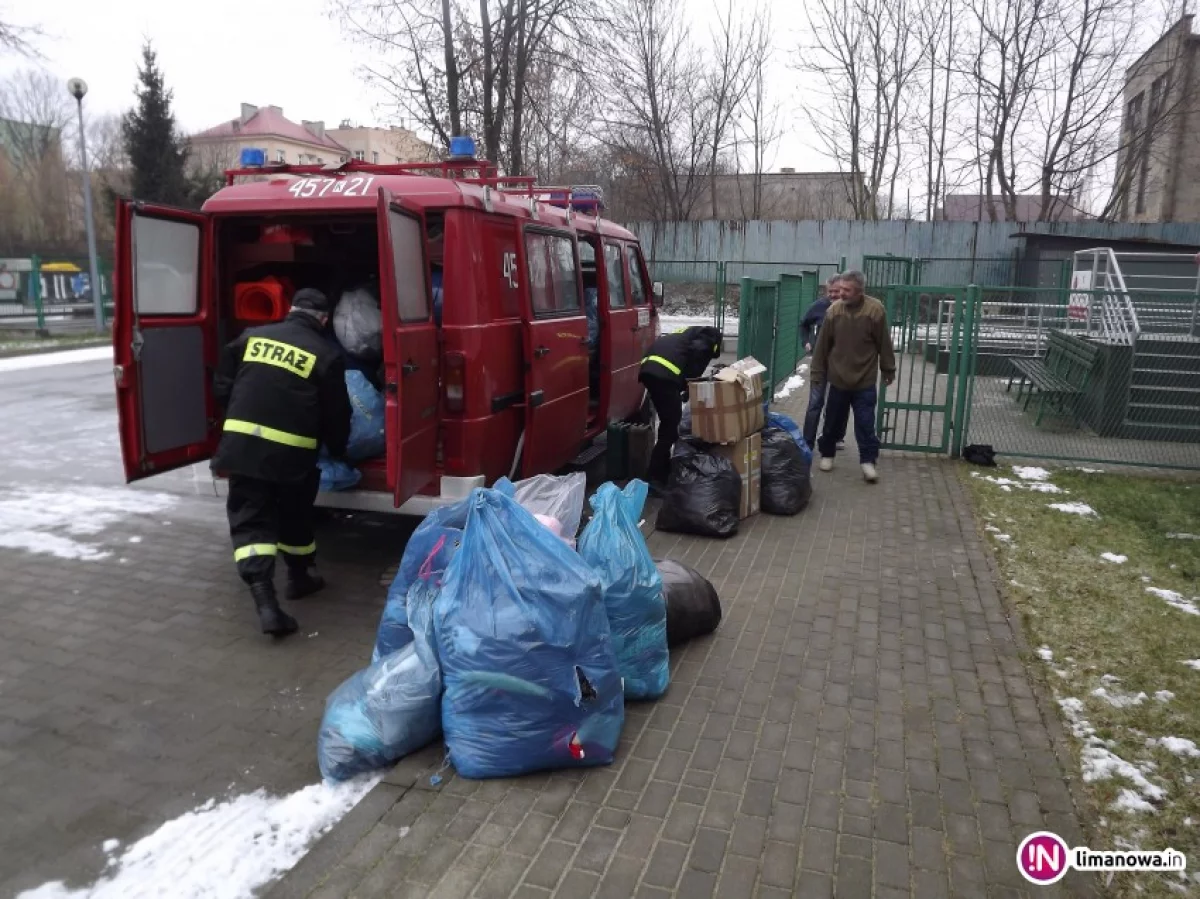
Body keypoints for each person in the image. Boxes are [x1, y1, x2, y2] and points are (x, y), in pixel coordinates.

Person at [212, 288, 353, 637]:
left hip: (243, 449)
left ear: (290, 310)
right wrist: (339, 450)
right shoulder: (326, 354)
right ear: (323, 319)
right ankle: (298, 577)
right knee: (294, 514)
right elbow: (337, 414)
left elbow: (222, 386)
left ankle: (266, 601)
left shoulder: (250, 337)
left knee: (250, 522)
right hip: (292, 455)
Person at [810, 270, 896, 483]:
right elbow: (822, 346)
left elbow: (883, 342)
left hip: (864, 380)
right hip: (837, 378)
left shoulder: (875, 310)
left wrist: (888, 369)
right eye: (840, 290)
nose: (842, 294)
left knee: (865, 423)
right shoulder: (834, 311)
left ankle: (868, 461)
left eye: (847, 290)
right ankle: (827, 454)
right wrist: (817, 372)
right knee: (832, 421)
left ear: (860, 291)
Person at [639, 325, 724, 489]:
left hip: (649, 370)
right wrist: (689, 386)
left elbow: (683, 359)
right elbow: (695, 361)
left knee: (667, 423)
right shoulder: (706, 341)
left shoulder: (689, 334)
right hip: (664, 375)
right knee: (670, 427)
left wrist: (685, 386)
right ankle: (653, 479)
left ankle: (661, 472)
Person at [801, 276, 842, 449]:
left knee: (837, 403)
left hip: (842, 364)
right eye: (830, 291)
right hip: (821, 362)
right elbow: (803, 324)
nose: (833, 295)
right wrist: (806, 341)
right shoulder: (819, 306)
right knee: (815, 402)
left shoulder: (850, 308)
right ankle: (807, 442)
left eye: (837, 292)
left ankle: (834, 437)